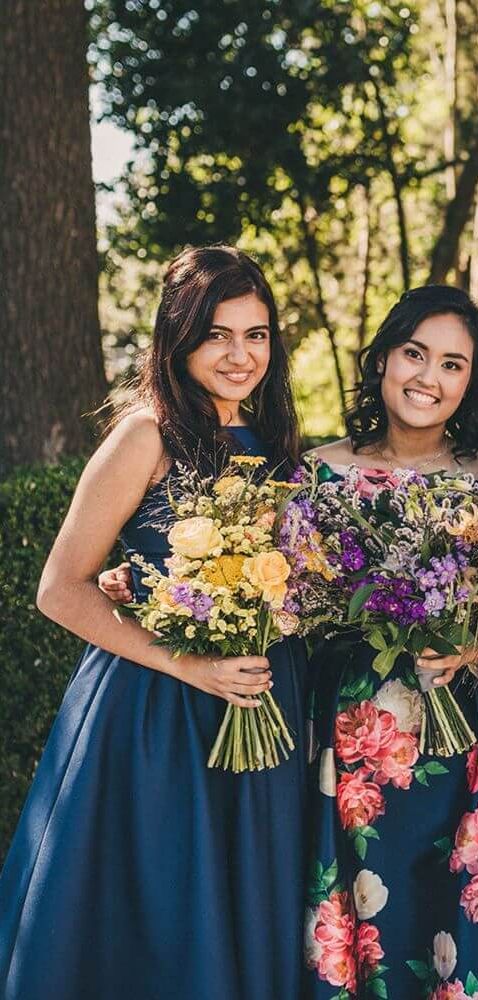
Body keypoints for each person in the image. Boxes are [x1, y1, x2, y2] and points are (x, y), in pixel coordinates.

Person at [0, 245, 308, 1000]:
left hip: (259, 705)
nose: (240, 355)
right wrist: (188, 664)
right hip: (156, 713)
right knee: (159, 912)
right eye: (218, 335)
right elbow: (59, 589)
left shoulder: (271, 445)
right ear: (178, 336)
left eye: (257, 335)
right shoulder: (146, 434)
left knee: (247, 902)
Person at [303, 286, 478, 1000]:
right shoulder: (318, 472)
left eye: (453, 365)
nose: (429, 378)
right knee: (361, 917)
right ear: (383, 358)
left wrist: (474, 649)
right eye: (415, 354)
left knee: (445, 915)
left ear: (470, 382)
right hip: (351, 736)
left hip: (460, 734)